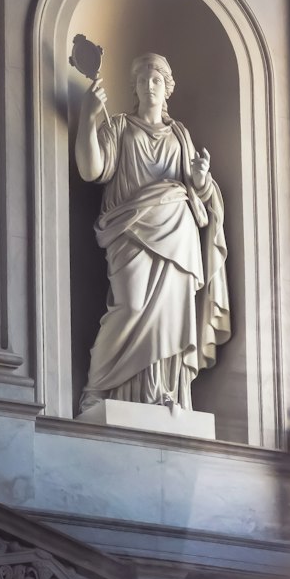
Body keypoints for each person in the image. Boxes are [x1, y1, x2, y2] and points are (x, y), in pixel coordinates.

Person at [75, 52, 230, 412]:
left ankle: (164, 394)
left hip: (177, 233)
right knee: (129, 308)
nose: (149, 85)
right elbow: (90, 169)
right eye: (143, 80)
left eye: (156, 79)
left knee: (169, 318)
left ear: (167, 87)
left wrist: (201, 177)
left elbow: (198, 189)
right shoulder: (119, 127)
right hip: (129, 233)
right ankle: (99, 389)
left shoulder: (180, 134)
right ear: (134, 87)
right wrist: (88, 116)